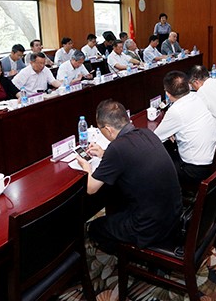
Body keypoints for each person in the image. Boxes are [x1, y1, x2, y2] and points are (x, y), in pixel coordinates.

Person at [74, 99, 182, 252]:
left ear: (108, 129)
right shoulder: (146, 133)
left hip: (149, 228)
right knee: (119, 201)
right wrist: (104, 154)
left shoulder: (117, 148)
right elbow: (129, 157)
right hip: (173, 215)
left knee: (96, 227)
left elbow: (91, 188)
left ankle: (128, 256)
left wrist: (86, 167)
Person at [154, 71, 216, 185]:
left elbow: (155, 138)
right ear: (189, 86)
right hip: (214, 158)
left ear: (167, 93)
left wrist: (169, 131)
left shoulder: (176, 111)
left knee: (155, 165)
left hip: (194, 169)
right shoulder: (197, 97)